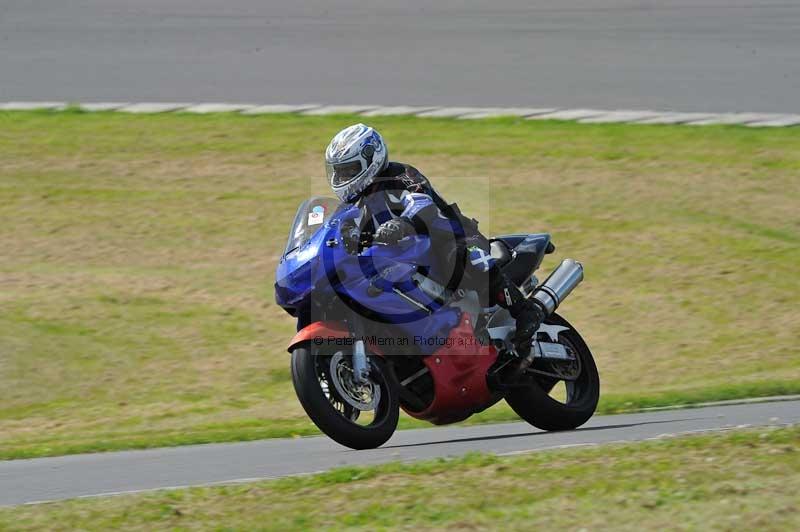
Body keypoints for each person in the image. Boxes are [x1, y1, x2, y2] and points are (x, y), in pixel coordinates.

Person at [324, 123, 545, 356]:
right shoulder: (353, 204)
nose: (342, 178)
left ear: (371, 158)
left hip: (451, 236)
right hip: (406, 260)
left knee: (465, 256)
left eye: (348, 170)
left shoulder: (400, 176)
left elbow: (421, 202)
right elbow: (336, 229)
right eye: (338, 172)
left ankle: (525, 310)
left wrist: (403, 223)